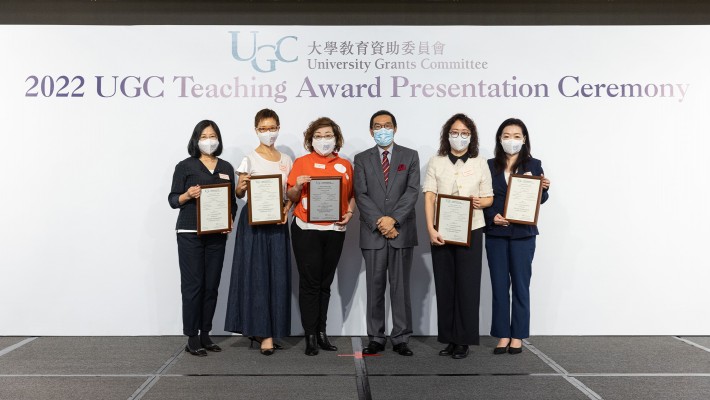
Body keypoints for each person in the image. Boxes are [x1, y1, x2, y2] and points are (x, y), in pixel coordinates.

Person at [422, 113, 493, 359]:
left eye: (464, 133)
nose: (459, 136)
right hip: (441, 230)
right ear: (447, 134)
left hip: (471, 229)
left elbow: (489, 198)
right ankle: (449, 339)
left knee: (467, 285)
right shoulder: (436, 161)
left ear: (471, 136)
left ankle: (463, 340)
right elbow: (429, 195)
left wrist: (479, 202)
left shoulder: (479, 162)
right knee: (445, 285)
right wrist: (430, 228)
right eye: (454, 132)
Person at [224, 109, 293, 356]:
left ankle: (273, 328)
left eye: (272, 127)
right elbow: (240, 193)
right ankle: (262, 333)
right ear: (256, 130)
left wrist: (287, 208)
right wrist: (240, 188)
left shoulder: (286, 159)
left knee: (278, 275)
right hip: (253, 222)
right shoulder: (249, 158)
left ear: (279, 127)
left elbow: (290, 194)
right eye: (263, 128)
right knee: (257, 276)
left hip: (277, 223)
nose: (268, 132)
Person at [287, 117, 355, 356]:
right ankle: (310, 335)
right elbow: (291, 196)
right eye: (319, 135)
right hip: (306, 229)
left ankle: (322, 331)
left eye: (328, 135)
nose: (324, 140)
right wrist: (297, 186)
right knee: (310, 283)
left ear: (336, 138)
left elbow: (351, 195)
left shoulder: (345, 165)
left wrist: (350, 211)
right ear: (310, 139)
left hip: (334, 230)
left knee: (325, 283)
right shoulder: (301, 162)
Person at [168, 120, 237, 357]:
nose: (209, 140)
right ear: (196, 140)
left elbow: (232, 203)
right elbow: (173, 199)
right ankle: (192, 336)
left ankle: (206, 333)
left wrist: (230, 220)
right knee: (193, 285)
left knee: (211, 286)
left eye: (213, 135)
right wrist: (187, 195)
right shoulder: (185, 166)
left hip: (217, 234)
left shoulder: (227, 167)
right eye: (204, 136)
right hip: (189, 233)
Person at [354, 110, 420, 356]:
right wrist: (380, 221)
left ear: (395, 128)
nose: (383, 130)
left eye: (387, 125)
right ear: (371, 131)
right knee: (374, 286)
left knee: (400, 287)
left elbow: (412, 191)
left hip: (401, 231)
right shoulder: (361, 158)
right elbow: (361, 194)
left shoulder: (410, 156)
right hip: (373, 232)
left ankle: (401, 337)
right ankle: (376, 337)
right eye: (378, 126)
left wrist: (393, 220)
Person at [484, 118, 551, 355]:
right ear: (499, 139)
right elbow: (482, 197)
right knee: (499, 286)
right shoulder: (489, 165)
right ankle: (503, 334)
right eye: (506, 136)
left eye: (516, 136)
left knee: (521, 286)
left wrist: (544, 188)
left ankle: (518, 335)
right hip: (496, 234)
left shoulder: (534, 163)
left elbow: (539, 201)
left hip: (523, 234)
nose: (511, 140)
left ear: (524, 139)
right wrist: (492, 216)